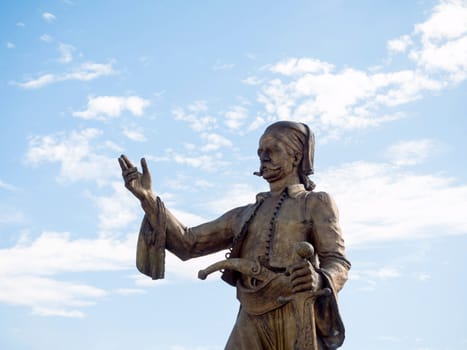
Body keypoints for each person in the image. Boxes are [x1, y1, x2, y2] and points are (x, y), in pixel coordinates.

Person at [118, 121, 350, 350]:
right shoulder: (243, 215)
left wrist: (319, 279)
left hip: (294, 307)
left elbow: (338, 261)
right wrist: (146, 197)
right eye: (260, 152)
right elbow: (189, 243)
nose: (263, 157)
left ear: (296, 156)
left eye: (272, 150)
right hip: (250, 313)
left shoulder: (315, 203)